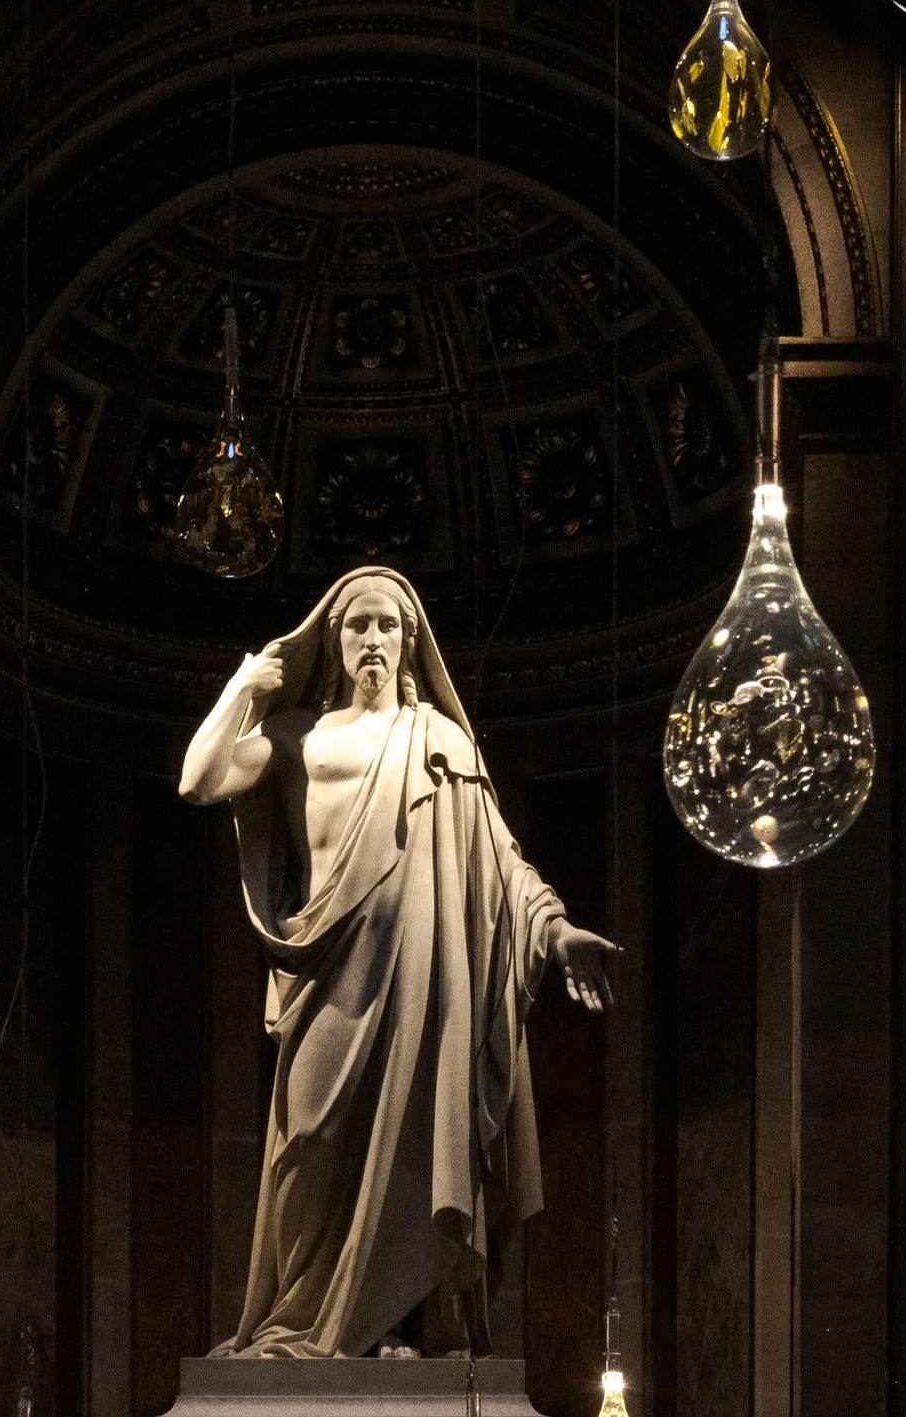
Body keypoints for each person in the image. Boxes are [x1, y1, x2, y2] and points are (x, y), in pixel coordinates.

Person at [180, 565, 616, 1359]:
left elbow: (502, 866)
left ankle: (388, 1329)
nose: (373, 638)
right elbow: (198, 778)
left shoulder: (442, 742)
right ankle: (301, 1322)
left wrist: (554, 933)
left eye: (388, 625)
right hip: (328, 987)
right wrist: (246, 685)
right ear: (334, 640)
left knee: (417, 1152)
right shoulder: (298, 734)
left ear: (411, 640)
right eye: (357, 625)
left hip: (424, 995)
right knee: (305, 1152)